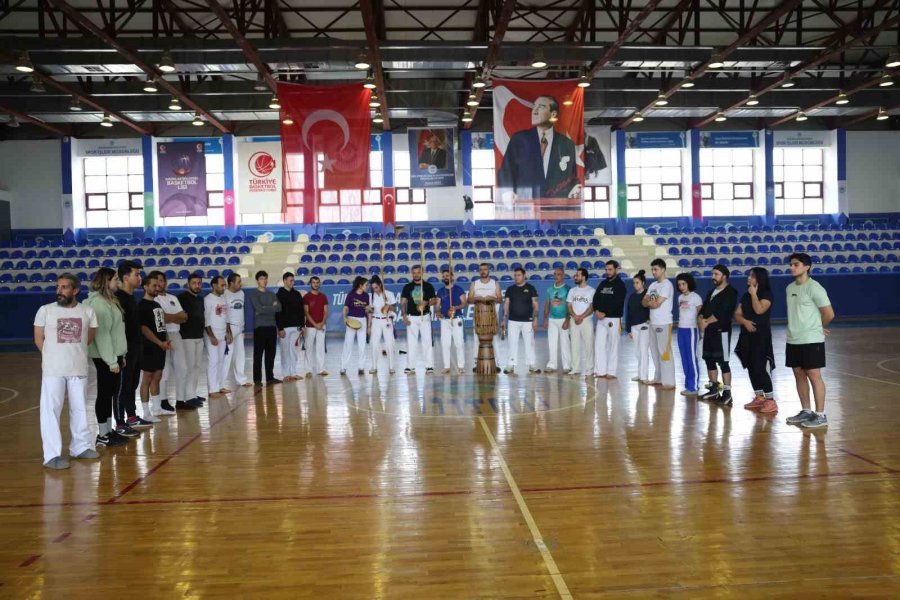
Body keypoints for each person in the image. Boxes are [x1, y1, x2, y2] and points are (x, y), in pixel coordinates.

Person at [34, 273, 99, 469]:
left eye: (64, 287)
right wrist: (54, 356)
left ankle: (80, 447)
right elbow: (39, 340)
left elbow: (87, 339)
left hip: (78, 368)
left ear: (75, 290)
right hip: (53, 370)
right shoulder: (45, 311)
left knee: (79, 408)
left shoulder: (87, 312)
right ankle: (52, 455)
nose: (59, 291)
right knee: (51, 411)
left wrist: (72, 354)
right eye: (58, 287)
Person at [783, 253, 834, 429]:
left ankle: (820, 415)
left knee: (814, 375)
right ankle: (806, 410)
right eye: (791, 264)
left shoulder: (815, 288)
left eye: (796, 264)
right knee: (798, 374)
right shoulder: (789, 288)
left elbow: (829, 314)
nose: (792, 267)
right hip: (793, 339)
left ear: (807, 267)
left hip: (811, 340)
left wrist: (818, 327)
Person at [497, 95, 580, 200]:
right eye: (534, 106)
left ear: (553, 114)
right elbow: (506, 169)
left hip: (556, 204)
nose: (534, 111)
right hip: (526, 203)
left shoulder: (566, 144)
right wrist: (507, 192)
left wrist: (575, 187)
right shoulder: (519, 139)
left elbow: (572, 176)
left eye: (541, 107)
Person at [84, 267, 129, 447]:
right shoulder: (98, 304)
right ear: (106, 281)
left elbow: (116, 332)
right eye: (115, 280)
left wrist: (120, 355)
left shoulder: (109, 301)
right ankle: (102, 434)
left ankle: (108, 431)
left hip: (114, 354)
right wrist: (111, 360)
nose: (118, 283)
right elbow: (102, 336)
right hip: (105, 357)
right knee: (104, 393)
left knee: (110, 393)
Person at [114, 260, 152, 432]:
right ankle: (120, 422)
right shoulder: (118, 299)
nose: (140, 277)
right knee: (124, 386)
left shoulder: (131, 298)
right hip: (125, 350)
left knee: (132, 384)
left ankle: (132, 416)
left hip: (136, 348)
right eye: (136, 274)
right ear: (125, 277)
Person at [734, 267, 777, 414]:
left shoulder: (766, 294)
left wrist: (753, 294)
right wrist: (744, 321)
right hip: (746, 337)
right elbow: (737, 314)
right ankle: (759, 397)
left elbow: (759, 310)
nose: (748, 278)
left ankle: (771, 401)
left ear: (759, 278)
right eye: (749, 276)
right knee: (751, 366)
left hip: (761, 337)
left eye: (752, 276)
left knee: (760, 368)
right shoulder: (746, 295)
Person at [697, 264, 739, 406]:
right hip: (709, 333)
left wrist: (706, 321)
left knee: (724, 362)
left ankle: (727, 393)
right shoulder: (711, 292)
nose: (713, 277)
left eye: (716, 274)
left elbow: (723, 312)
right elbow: (703, 309)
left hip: (722, 333)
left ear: (724, 276)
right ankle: (714, 389)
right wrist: (701, 319)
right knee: (709, 360)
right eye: (712, 274)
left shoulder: (731, 292)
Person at [137, 272, 171, 427]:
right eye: (153, 285)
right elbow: (144, 329)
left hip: (160, 346)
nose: (157, 288)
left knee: (158, 376)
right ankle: (146, 412)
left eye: (158, 285)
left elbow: (161, 326)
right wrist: (158, 342)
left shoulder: (157, 304)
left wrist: (166, 340)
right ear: (145, 287)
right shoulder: (142, 306)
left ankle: (157, 408)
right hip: (149, 347)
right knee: (147, 378)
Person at [154, 272, 186, 415]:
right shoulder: (154, 299)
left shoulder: (173, 298)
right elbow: (161, 318)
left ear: (165, 282)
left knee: (182, 367)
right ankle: (163, 399)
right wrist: (174, 317)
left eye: (162, 280)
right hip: (162, 335)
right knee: (163, 370)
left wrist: (170, 317)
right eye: (157, 281)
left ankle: (181, 399)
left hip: (176, 334)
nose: (160, 283)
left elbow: (184, 317)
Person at [643, 258, 675, 390]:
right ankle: (658, 377)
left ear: (663, 270)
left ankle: (669, 381)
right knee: (655, 352)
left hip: (663, 323)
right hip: (653, 322)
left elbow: (656, 304)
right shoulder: (652, 286)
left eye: (655, 269)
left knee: (665, 352)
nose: (653, 272)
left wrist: (651, 302)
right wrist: (651, 303)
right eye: (652, 269)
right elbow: (644, 303)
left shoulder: (667, 285)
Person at [175, 272, 205, 410]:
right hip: (187, 337)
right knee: (189, 367)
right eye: (194, 283)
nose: (197, 285)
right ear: (188, 284)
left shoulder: (200, 299)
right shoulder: (181, 298)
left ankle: (192, 393)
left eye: (199, 283)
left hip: (199, 336)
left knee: (197, 366)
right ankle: (188, 396)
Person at [592, 260, 626, 379]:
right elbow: (595, 298)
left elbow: (617, 302)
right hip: (601, 319)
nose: (608, 272)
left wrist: (605, 312)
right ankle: (601, 371)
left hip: (614, 318)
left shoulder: (620, 285)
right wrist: (596, 311)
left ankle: (611, 371)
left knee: (613, 345)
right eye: (606, 270)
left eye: (610, 269)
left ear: (616, 269)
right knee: (599, 344)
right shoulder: (603, 284)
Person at [502, 267, 540, 374]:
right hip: (513, 321)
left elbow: (536, 305)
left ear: (524, 276)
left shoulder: (531, 288)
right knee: (512, 343)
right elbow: (506, 304)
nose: (516, 277)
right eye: (515, 275)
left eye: (518, 275)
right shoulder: (510, 289)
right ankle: (511, 364)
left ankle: (532, 364)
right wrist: (504, 319)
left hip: (528, 321)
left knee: (530, 343)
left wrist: (535, 319)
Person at [401, 265, 437, 374]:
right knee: (411, 343)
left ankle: (429, 366)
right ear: (411, 273)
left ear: (422, 273)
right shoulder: (407, 287)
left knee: (427, 341)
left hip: (424, 316)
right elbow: (403, 302)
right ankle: (410, 366)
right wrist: (404, 316)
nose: (416, 274)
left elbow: (434, 300)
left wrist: (426, 303)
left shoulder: (428, 286)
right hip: (411, 317)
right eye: (414, 272)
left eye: (418, 272)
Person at [468, 263, 502, 370]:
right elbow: (469, 299)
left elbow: (500, 299)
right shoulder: (475, 284)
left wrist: (491, 297)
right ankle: (475, 363)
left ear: (489, 270)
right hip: (479, 316)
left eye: (485, 269)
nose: (483, 271)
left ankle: (496, 363)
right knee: (476, 339)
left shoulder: (495, 283)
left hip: (491, 317)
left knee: (494, 339)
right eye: (481, 269)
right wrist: (478, 298)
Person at [250, 270, 282, 386]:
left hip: (272, 327)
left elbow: (279, 308)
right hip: (260, 327)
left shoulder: (272, 294)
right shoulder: (254, 294)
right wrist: (270, 307)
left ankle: (270, 378)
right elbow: (258, 309)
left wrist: (265, 308)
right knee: (258, 354)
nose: (264, 281)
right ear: (257, 281)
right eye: (261, 279)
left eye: (265, 278)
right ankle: (257, 380)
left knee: (271, 354)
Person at [675, 273, 703, 396]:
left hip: (691, 330)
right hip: (680, 330)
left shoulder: (696, 297)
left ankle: (694, 387)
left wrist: (701, 332)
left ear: (689, 283)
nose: (681, 286)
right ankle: (688, 385)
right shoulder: (680, 298)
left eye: (683, 284)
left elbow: (701, 315)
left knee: (691, 358)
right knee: (684, 359)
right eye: (679, 284)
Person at [204, 275, 231, 397]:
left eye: (224, 285)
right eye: (221, 285)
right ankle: (212, 389)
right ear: (214, 285)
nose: (223, 287)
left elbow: (226, 318)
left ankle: (220, 385)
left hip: (222, 333)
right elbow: (206, 320)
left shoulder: (223, 299)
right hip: (212, 334)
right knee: (213, 361)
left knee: (221, 361)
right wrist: (211, 336)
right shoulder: (208, 299)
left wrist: (228, 332)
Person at [276, 272, 305, 381]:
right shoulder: (279, 295)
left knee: (293, 350)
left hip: (296, 327)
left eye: (293, 280)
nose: (292, 282)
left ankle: (293, 372)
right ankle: (286, 374)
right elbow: (278, 313)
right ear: (284, 281)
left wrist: (302, 326)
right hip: (284, 328)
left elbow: (301, 311)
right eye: (290, 280)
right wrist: (280, 328)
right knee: (285, 351)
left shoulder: (297, 294)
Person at [224, 273, 252, 387]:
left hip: (240, 329)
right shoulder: (224, 294)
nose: (240, 284)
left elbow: (241, 312)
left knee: (240, 355)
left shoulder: (241, 293)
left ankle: (242, 380)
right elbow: (224, 314)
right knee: (227, 357)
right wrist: (228, 331)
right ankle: (221, 384)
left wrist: (243, 328)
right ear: (231, 283)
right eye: (238, 282)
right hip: (229, 328)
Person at [437, 269, 467, 374]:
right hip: (445, 320)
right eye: (444, 276)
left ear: (452, 277)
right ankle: (446, 366)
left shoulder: (459, 289)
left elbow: (464, 303)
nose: (445, 277)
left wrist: (456, 307)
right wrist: (438, 312)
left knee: (459, 343)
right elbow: (437, 306)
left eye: (447, 275)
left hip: (457, 318)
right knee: (445, 343)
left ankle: (461, 366)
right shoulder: (440, 291)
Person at [566, 268, 595, 376]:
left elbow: (592, 307)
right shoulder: (572, 291)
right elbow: (569, 305)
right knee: (574, 344)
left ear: (583, 277)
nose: (575, 277)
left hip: (586, 320)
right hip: (574, 320)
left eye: (577, 275)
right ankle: (575, 368)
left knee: (589, 345)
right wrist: (574, 316)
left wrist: (582, 317)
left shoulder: (591, 291)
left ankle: (589, 369)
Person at [542, 267, 571, 374]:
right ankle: (552, 365)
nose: (556, 276)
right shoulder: (550, 289)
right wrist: (545, 319)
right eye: (555, 274)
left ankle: (567, 365)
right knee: (552, 343)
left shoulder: (568, 289)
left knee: (565, 343)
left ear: (563, 275)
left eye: (558, 274)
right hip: (552, 319)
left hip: (563, 319)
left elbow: (569, 305)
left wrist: (568, 319)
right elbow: (547, 304)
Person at [625, 270, 651, 384]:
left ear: (643, 283)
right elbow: (629, 313)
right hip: (634, 327)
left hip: (645, 325)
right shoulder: (631, 297)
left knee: (643, 350)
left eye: (637, 282)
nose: (635, 285)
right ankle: (640, 374)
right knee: (637, 351)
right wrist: (629, 329)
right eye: (634, 283)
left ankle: (644, 376)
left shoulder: (648, 295)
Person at [341, 276, 371, 375]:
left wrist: (369, 310)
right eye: (366, 285)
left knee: (362, 345)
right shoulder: (351, 295)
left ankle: (361, 367)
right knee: (348, 344)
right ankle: (343, 367)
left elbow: (368, 310)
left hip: (362, 321)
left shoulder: (366, 296)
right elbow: (345, 308)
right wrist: (345, 318)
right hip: (351, 320)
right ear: (360, 285)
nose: (368, 286)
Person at [368, 275, 397, 375]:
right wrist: (369, 325)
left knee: (389, 343)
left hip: (387, 320)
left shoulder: (389, 294)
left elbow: (395, 308)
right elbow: (370, 311)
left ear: (380, 285)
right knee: (374, 344)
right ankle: (374, 366)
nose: (375, 290)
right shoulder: (371, 296)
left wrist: (388, 306)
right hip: (376, 321)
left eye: (376, 287)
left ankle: (391, 366)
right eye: (373, 288)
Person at [302, 276, 329, 377]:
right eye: (313, 282)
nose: (316, 284)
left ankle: (321, 369)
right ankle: (308, 370)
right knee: (308, 347)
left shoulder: (323, 296)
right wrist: (315, 324)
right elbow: (306, 313)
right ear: (310, 284)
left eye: (317, 282)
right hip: (310, 326)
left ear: (319, 284)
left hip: (322, 325)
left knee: (320, 347)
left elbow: (326, 312)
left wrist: (321, 323)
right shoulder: (306, 297)